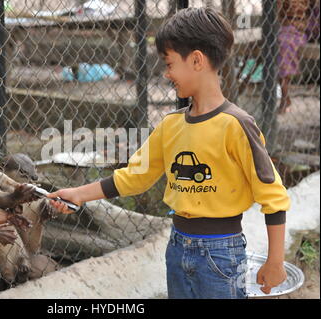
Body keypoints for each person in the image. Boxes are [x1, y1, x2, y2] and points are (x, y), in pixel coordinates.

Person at [47, 7, 290, 299]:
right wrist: (78, 194)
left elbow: (273, 196)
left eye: (170, 63)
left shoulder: (236, 125)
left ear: (197, 60)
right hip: (177, 247)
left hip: (221, 252)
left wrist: (275, 261)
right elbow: (135, 178)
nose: (166, 73)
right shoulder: (171, 125)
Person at [277, 0, 310, 114]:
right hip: (283, 28)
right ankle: (285, 96)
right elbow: (276, 12)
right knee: (278, 45)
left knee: (282, 45)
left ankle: (285, 97)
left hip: (299, 30)